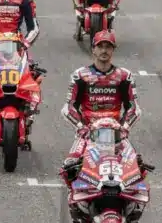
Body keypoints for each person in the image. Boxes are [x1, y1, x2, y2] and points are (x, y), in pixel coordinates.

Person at [59, 31, 144, 195]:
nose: (104, 50)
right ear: (93, 49)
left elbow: (134, 108)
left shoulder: (124, 76)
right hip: (87, 133)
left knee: (137, 168)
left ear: (113, 50)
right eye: (100, 46)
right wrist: (81, 128)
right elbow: (68, 108)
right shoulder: (80, 75)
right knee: (69, 166)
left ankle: (130, 205)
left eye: (108, 47)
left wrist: (124, 128)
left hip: (117, 133)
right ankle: (76, 201)